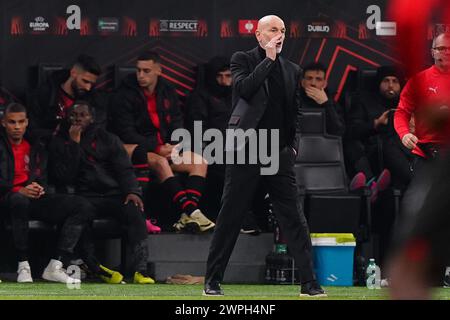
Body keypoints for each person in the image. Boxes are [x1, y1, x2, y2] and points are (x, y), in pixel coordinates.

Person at [203, 15, 326, 297]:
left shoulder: (292, 69)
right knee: (231, 215)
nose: (279, 34)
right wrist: (268, 60)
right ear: (258, 35)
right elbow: (244, 89)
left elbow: (295, 112)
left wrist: (292, 146)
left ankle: (309, 283)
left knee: (293, 217)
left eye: (283, 30)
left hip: (278, 152)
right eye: (273, 30)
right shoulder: (242, 59)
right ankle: (212, 280)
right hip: (246, 147)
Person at [49, 101, 155, 284]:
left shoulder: (108, 139)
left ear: (92, 118)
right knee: (81, 212)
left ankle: (141, 271)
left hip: (113, 195)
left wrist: (133, 191)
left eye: (82, 115)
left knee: (134, 209)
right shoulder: (61, 141)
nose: (77, 119)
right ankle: (96, 268)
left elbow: (124, 169)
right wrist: (74, 144)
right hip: (84, 196)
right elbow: (65, 176)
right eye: (73, 115)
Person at [110, 50, 214, 233]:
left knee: (199, 161)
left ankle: (185, 217)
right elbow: (126, 133)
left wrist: (174, 145)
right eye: (138, 70)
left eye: (146, 71)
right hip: (137, 149)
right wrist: (157, 148)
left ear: (158, 70)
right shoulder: (123, 94)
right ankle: (191, 211)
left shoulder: (167, 90)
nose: (141, 75)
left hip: (165, 148)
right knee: (160, 162)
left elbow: (176, 121)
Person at [0, 103, 92, 284]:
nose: (17, 127)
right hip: (7, 198)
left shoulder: (37, 145)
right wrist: (18, 189)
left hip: (34, 198)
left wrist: (39, 186)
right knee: (19, 200)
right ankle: (23, 265)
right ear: (3, 123)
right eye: (12, 122)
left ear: (27, 123)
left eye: (20, 122)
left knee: (82, 206)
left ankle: (56, 266)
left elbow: (58, 174)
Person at [388, 32, 450, 297]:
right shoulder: (420, 80)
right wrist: (404, 134)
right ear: (433, 51)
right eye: (441, 48)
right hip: (427, 156)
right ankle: (417, 272)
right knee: (418, 215)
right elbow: (401, 113)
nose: (445, 53)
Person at [28, 54, 108, 138]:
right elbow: (33, 130)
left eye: (92, 84)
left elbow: (98, 130)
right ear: (73, 73)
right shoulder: (45, 94)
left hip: (83, 148)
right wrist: (57, 134)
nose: (88, 88)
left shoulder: (94, 99)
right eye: (85, 81)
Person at [299, 62, 345, 136]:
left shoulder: (333, 105)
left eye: (318, 79)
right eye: (309, 78)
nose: (313, 83)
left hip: (322, 146)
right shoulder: (290, 100)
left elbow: (339, 132)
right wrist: (273, 147)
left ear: (324, 84)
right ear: (302, 82)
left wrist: (326, 104)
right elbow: (274, 129)